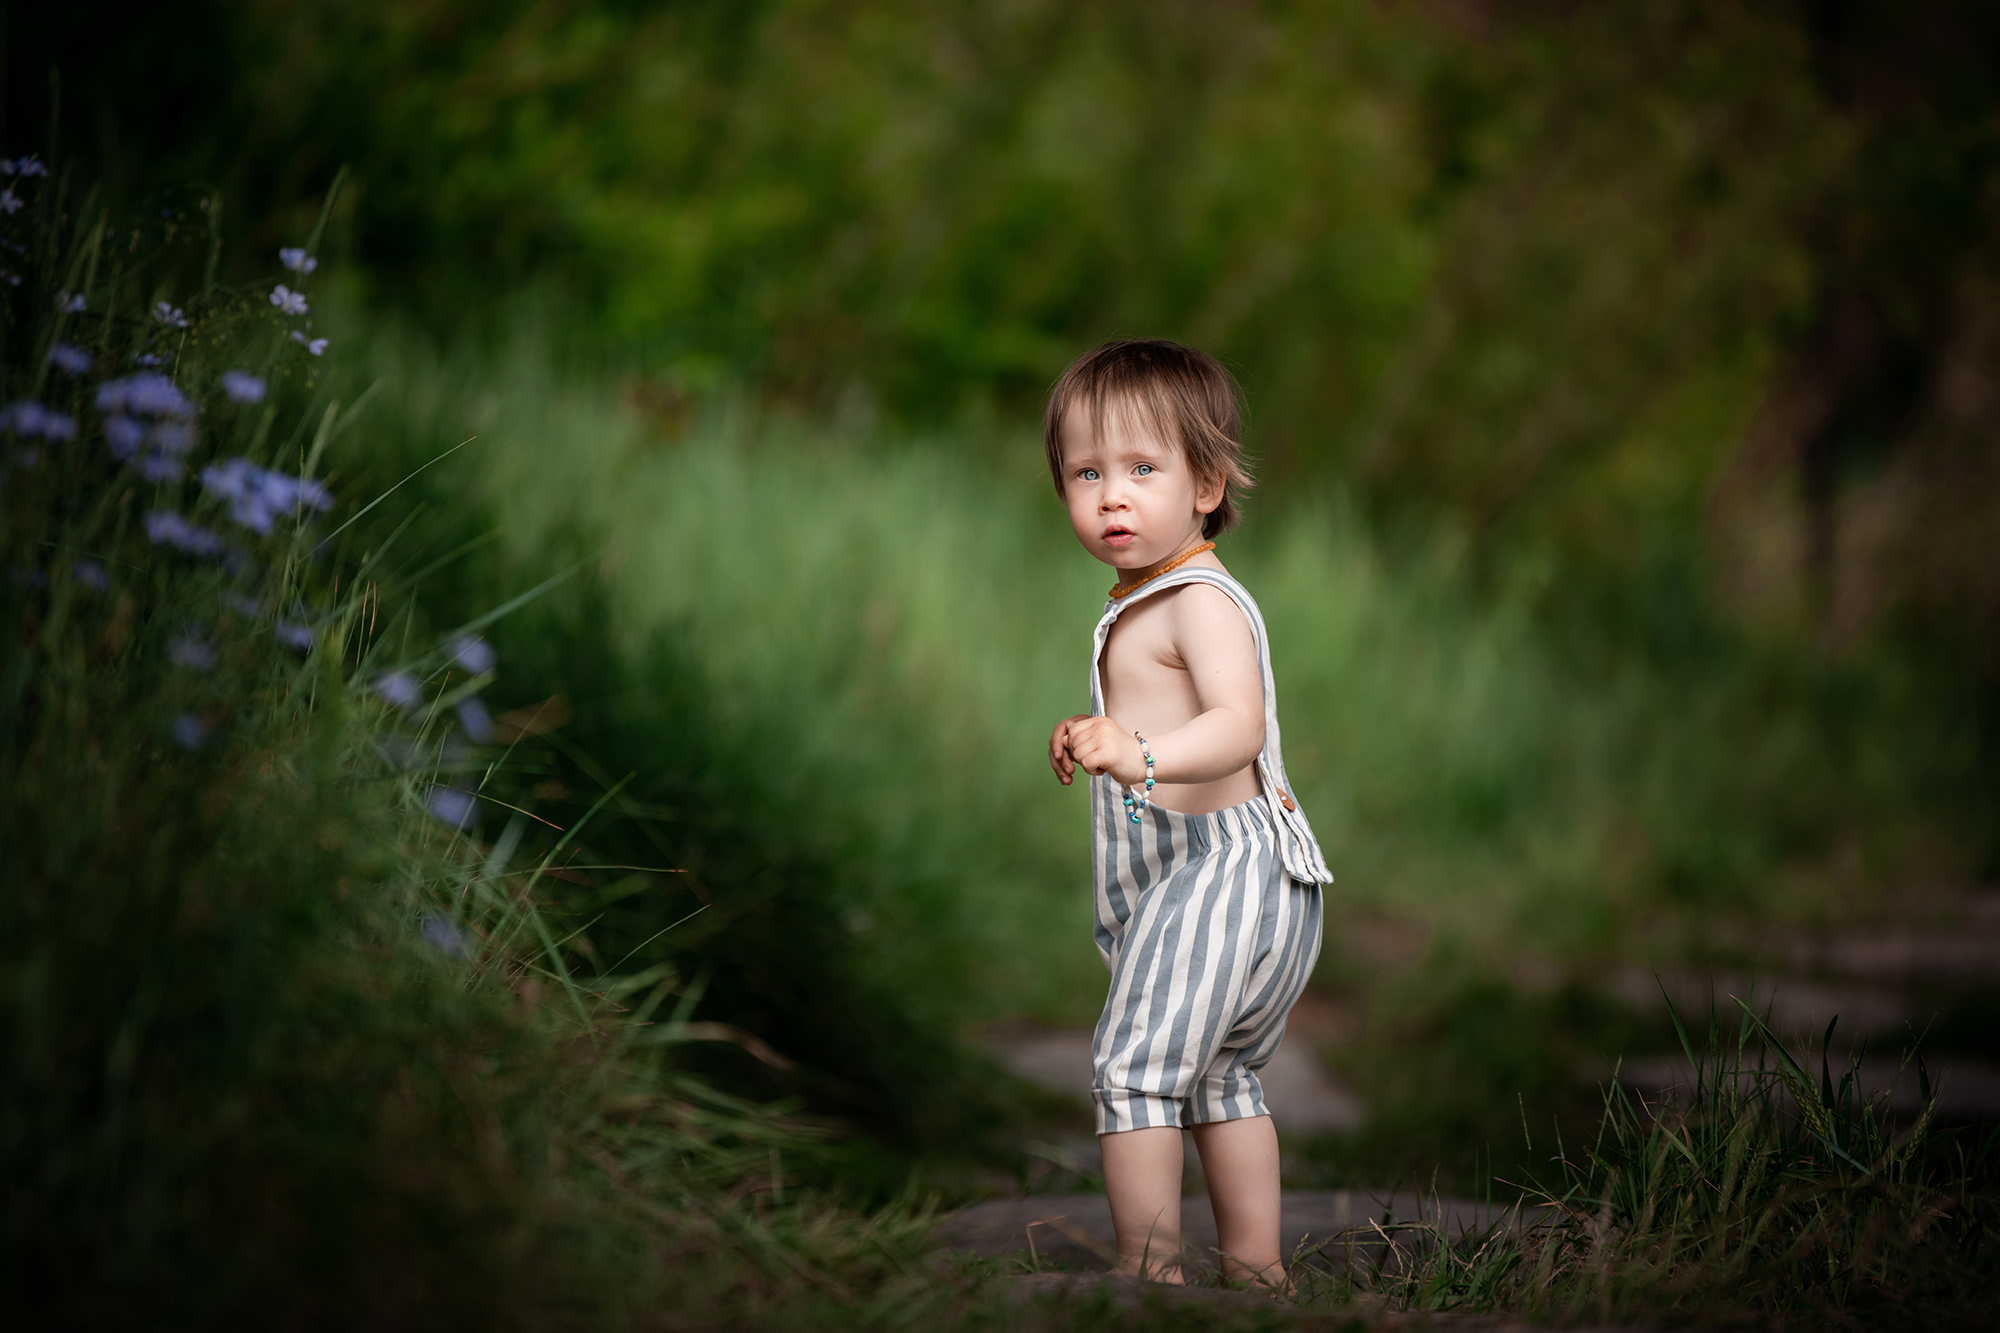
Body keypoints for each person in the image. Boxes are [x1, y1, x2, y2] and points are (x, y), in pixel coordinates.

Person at [1043, 338, 1331, 1289]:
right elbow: (1150, 716)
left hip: (1225, 868)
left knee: (1133, 1070)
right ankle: (1256, 1271)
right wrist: (1099, 735)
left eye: (1141, 468)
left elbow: (1238, 727)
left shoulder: (1198, 599)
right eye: (1087, 471)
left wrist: (1143, 754)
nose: (1111, 495)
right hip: (1239, 877)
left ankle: (1149, 1275)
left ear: (1207, 483)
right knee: (1219, 1079)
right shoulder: (1152, 597)